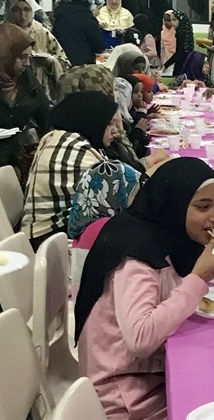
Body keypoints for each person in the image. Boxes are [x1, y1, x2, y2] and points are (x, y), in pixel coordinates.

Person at [75, 158, 214, 419]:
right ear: (174, 205)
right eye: (203, 206)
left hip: (146, 376)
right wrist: (199, 278)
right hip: (125, 396)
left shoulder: (164, 233)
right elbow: (140, 338)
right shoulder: (137, 255)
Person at [21, 91, 119, 248]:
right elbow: (119, 191)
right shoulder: (74, 151)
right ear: (93, 120)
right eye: (110, 123)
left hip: (52, 232)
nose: (115, 130)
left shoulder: (60, 136)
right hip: (49, 241)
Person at [68, 160, 141, 294]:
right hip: (98, 306)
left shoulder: (89, 222)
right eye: (134, 194)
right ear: (117, 194)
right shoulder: (105, 228)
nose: (138, 200)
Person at [0, 24, 49, 178]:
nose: (27, 63)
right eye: (22, 57)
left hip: (18, 160)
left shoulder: (26, 78)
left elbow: (45, 116)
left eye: (29, 57)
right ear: (4, 56)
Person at [3, 0, 69, 101]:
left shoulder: (42, 32)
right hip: (10, 94)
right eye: (16, 10)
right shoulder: (2, 34)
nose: (22, 15)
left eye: (26, 9)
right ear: (9, 10)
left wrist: (50, 62)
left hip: (41, 92)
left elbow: (65, 64)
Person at [52, 0, 106, 66]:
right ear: (92, 6)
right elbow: (98, 47)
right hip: (84, 66)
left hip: (63, 62)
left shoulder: (60, 16)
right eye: (98, 8)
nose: (98, 13)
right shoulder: (87, 18)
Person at [115, 76, 149, 159]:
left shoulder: (129, 113)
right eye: (135, 92)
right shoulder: (119, 119)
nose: (141, 95)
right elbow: (134, 151)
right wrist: (139, 131)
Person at [162, 10, 194, 76]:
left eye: (174, 20)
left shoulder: (181, 33)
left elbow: (179, 53)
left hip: (181, 65)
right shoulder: (187, 31)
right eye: (171, 20)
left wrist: (166, 65)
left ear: (180, 20)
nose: (172, 22)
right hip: (189, 63)